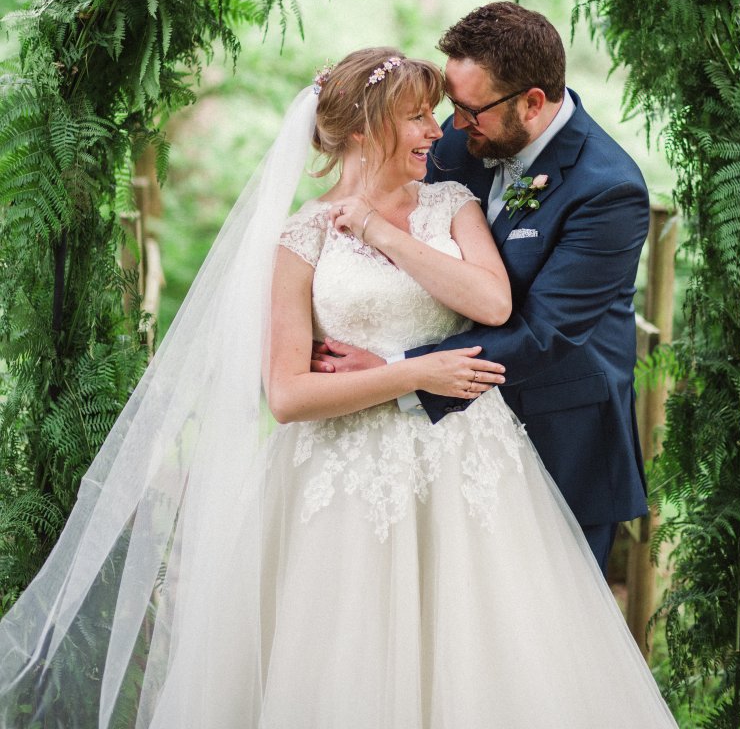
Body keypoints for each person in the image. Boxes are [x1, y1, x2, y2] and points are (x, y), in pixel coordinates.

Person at [0, 47, 677, 728]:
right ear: (364, 127)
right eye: (418, 116)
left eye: (439, 115)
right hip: (341, 476)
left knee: (489, 656)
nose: (438, 131)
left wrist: (382, 234)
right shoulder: (300, 236)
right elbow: (288, 396)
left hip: (465, 458)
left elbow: (497, 306)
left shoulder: (454, 199)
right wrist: (409, 374)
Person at [313, 4, 650, 575]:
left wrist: (394, 369)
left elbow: (545, 333)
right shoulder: (453, 142)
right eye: (450, 106)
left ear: (532, 102)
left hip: (556, 434)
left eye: (469, 110)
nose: (450, 125)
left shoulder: (609, 190)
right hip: (440, 449)